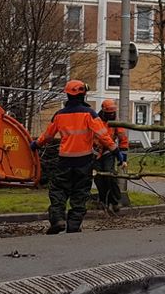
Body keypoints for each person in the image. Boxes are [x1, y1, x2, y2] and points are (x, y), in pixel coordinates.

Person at [31, 80, 117, 234]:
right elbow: (103, 136)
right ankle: (74, 225)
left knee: (58, 191)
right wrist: (116, 151)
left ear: (67, 95)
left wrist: (36, 144)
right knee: (80, 193)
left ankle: (58, 219)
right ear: (83, 95)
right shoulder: (89, 114)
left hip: (65, 160)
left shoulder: (59, 115)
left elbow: (48, 135)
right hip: (84, 161)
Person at [94, 99, 128, 214]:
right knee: (98, 178)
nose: (111, 115)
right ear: (103, 111)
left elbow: (123, 139)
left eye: (113, 113)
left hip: (109, 151)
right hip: (96, 152)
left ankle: (115, 201)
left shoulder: (115, 123)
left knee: (110, 175)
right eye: (109, 113)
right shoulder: (96, 121)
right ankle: (103, 200)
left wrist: (123, 157)